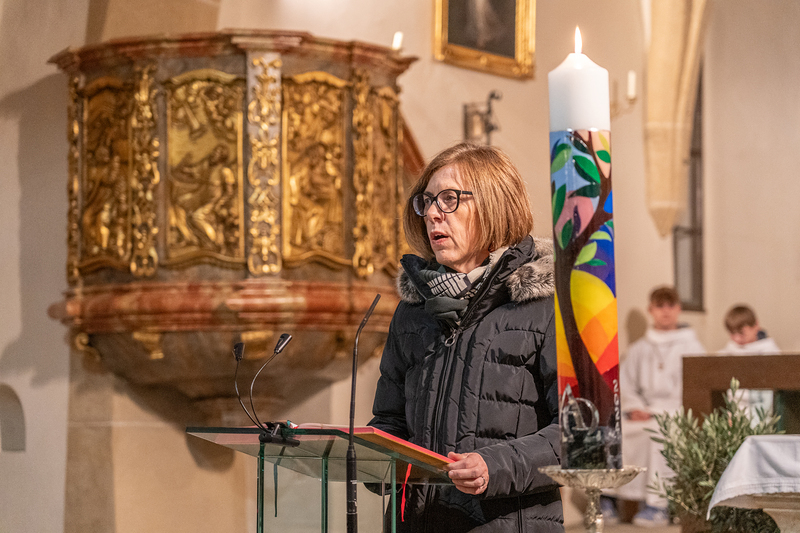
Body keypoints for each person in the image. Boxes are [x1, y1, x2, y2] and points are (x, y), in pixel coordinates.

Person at [369, 142, 563, 532]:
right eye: (427, 201)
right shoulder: (413, 312)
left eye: (449, 199)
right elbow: (390, 420)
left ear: (494, 204)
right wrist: (369, 457)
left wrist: (495, 466)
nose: (432, 213)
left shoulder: (544, 306)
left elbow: (578, 434)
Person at [606, 286, 705, 526]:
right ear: (651, 310)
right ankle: (607, 498)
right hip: (642, 412)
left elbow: (695, 388)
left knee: (658, 434)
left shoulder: (693, 348)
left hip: (675, 412)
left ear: (679, 309)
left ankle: (657, 505)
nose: (665, 311)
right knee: (613, 429)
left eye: (670, 306)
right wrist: (634, 407)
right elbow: (625, 385)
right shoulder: (639, 349)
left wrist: (655, 412)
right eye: (660, 306)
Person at [718, 304, 781, 418]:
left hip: (761, 413)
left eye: (742, 333)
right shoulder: (725, 354)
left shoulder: (770, 352)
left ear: (756, 325)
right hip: (731, 414)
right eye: (732, 333)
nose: (737, 339)